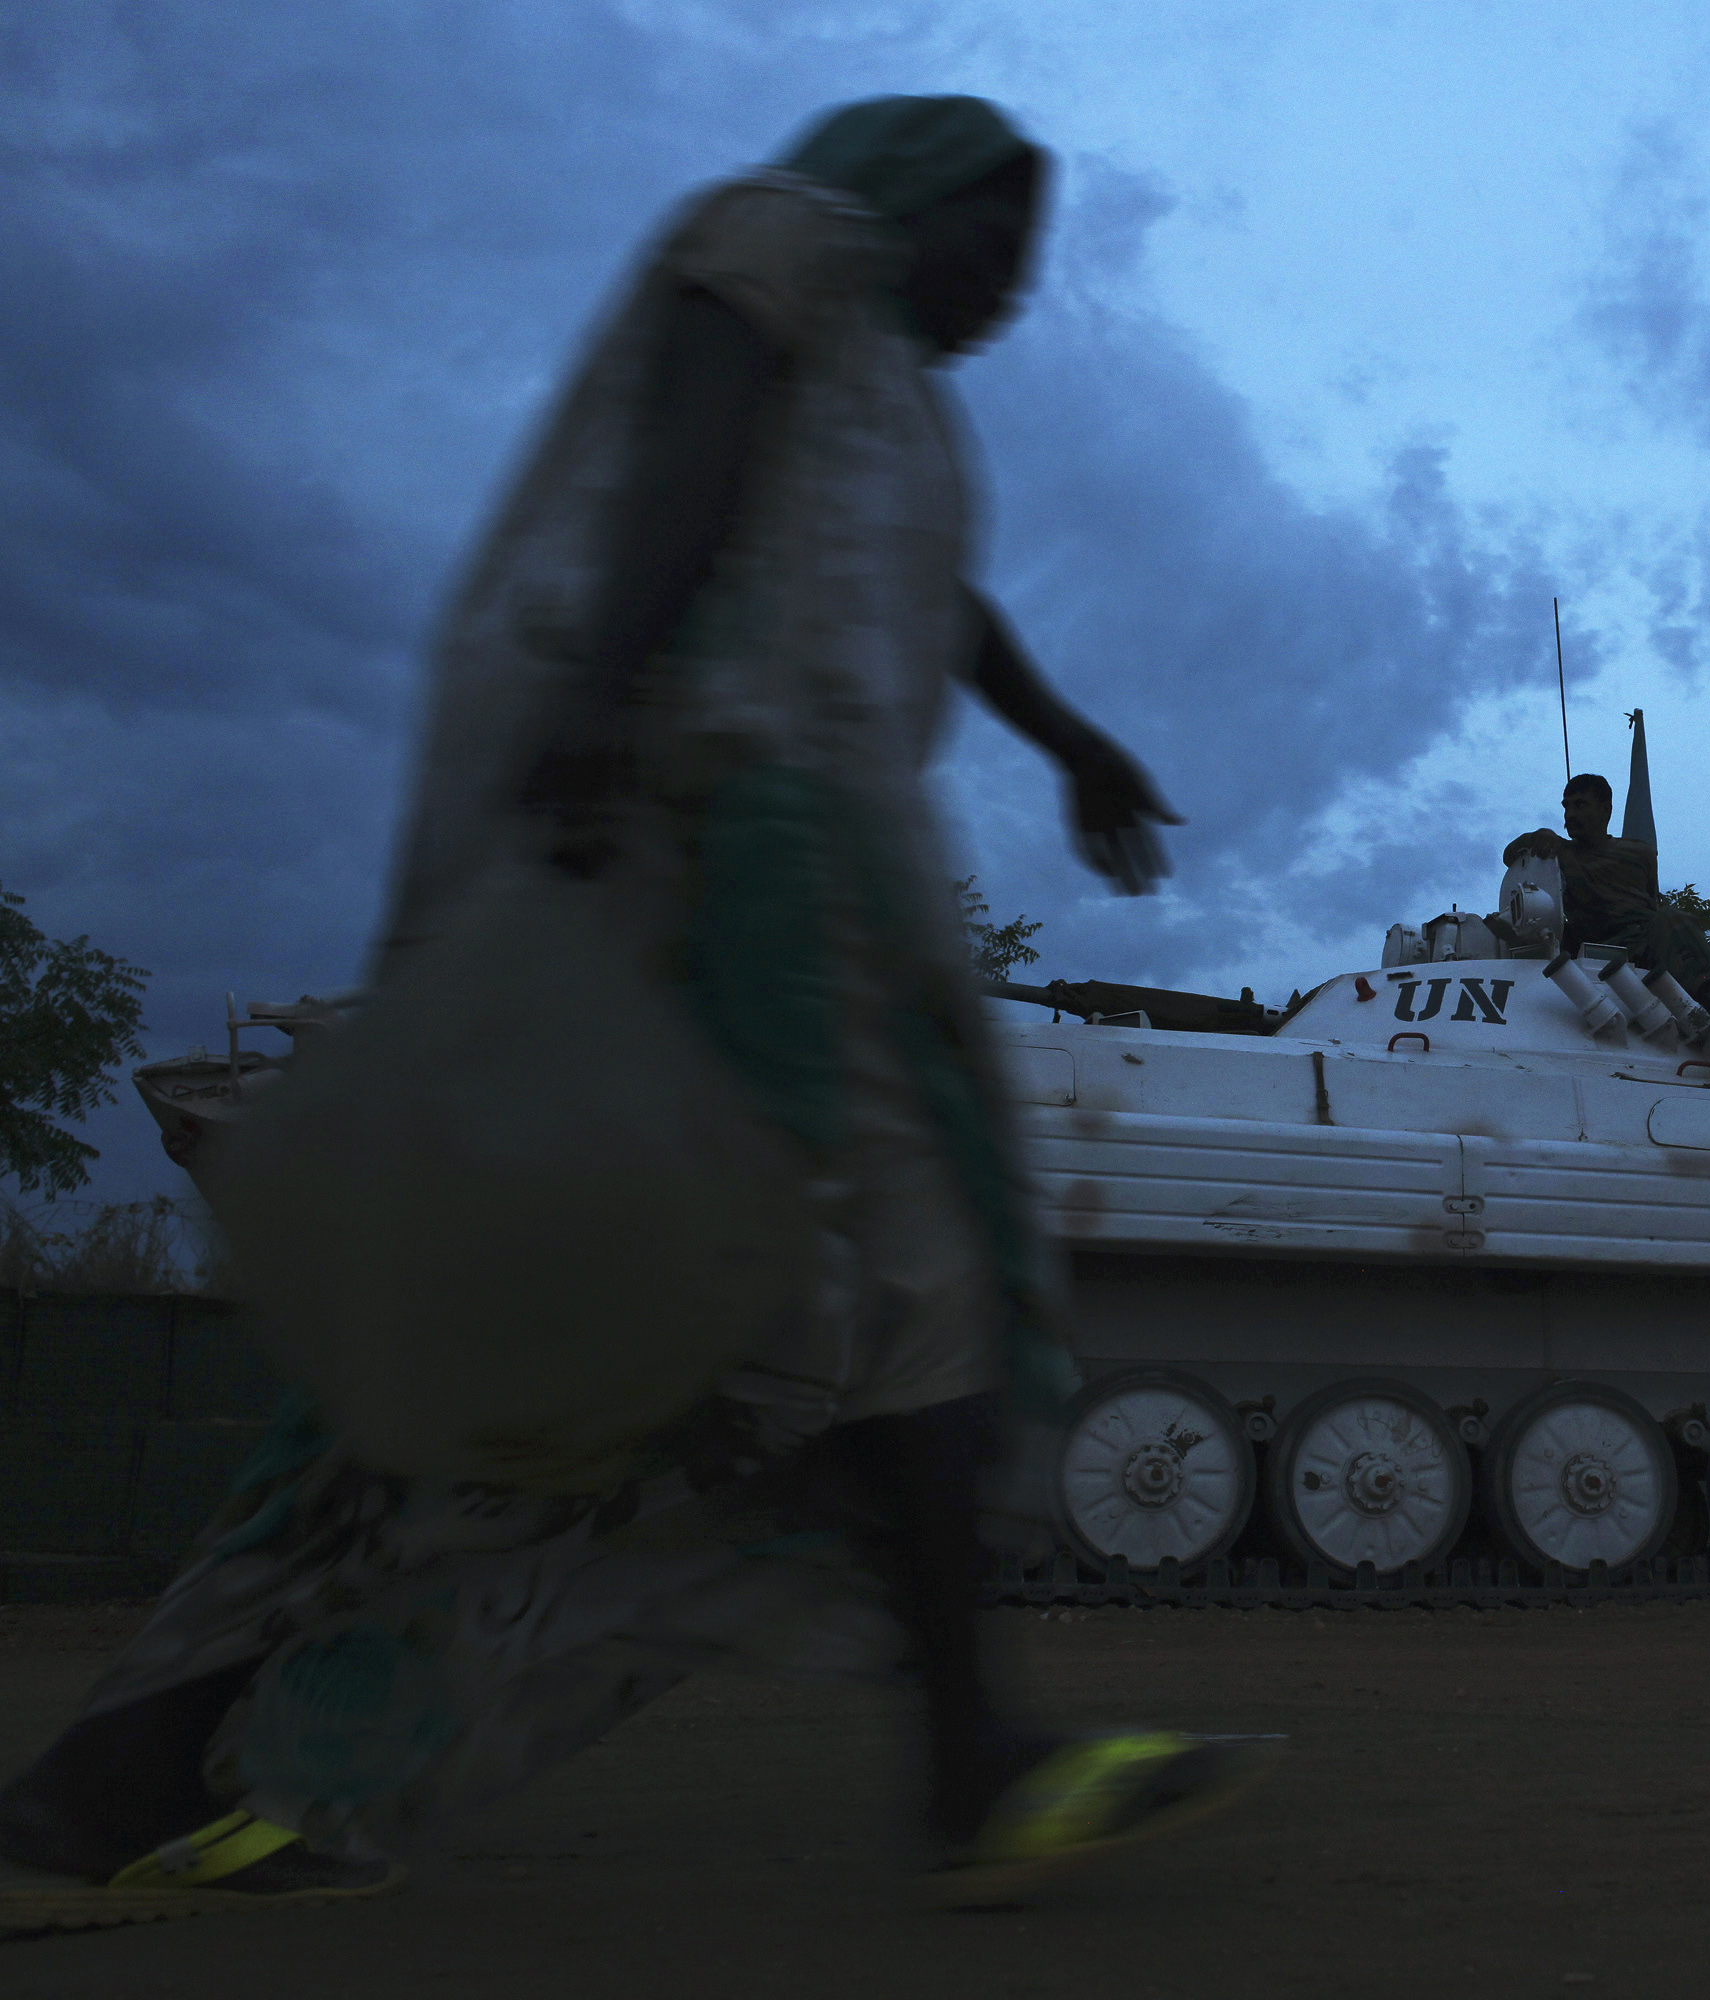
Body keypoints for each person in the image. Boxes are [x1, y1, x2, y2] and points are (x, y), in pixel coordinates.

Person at [0, 95, 1266, 1938]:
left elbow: (940, 596)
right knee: (867, 1302)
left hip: (798, 869)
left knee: (557, 1336)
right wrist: (595, 695)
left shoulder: (899, 388)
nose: (1011, 292)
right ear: (907, 195)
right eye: (997, 243)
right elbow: (695, 435)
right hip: (753, 860)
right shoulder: (784, 244)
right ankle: (972, 1760)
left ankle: (138, 1755)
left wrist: (1066, 732)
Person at [1504, 775, 1710, 1075]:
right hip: (1603, 948)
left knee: (1672, 922)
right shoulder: (1560, 854)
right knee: (1668, 924)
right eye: (1566, 807)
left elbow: (1650, 901)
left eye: (1581, 805)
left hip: (1649, 942)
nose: (1570, 815)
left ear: (1606, 809)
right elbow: (1511, 856)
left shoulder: (1641, 853)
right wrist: (1536, 836)